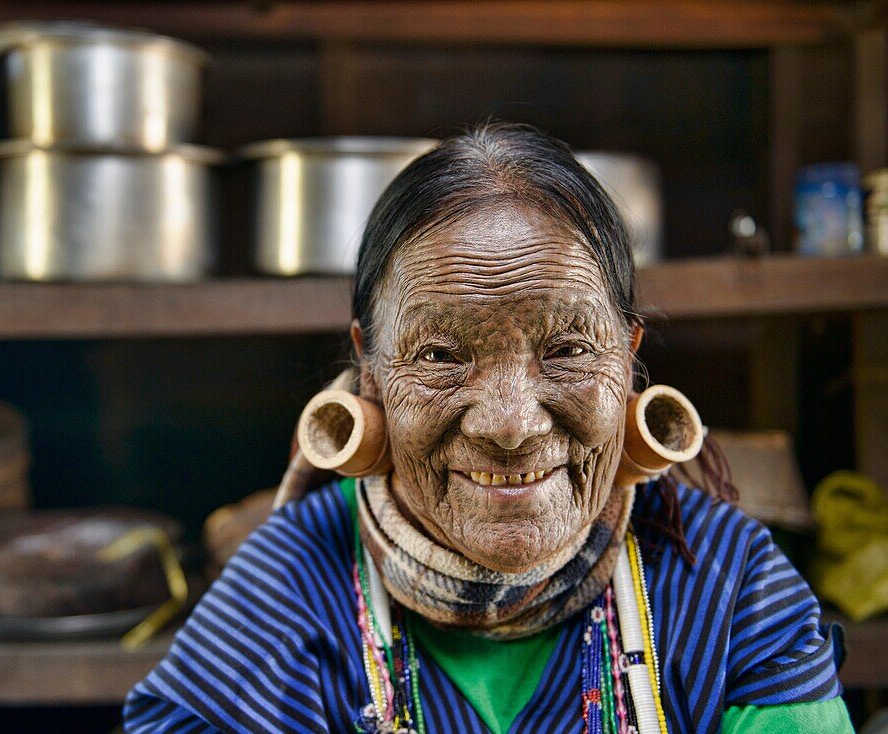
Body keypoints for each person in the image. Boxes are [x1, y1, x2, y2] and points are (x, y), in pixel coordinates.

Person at [124, 124, 853, 733]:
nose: (510, 425)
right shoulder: (291, 581)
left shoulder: (730, 584)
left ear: (628, 360)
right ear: (370, 371)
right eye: (439, 354)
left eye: (568, 349)